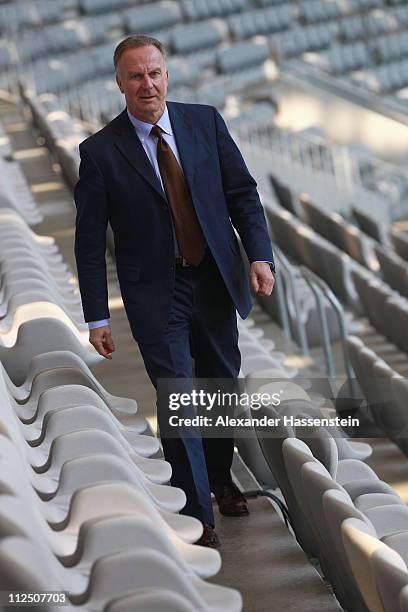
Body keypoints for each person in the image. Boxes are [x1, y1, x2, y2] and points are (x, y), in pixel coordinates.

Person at [74, 35, 275, 548]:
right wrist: (96, 317)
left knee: (219, 385)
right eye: (136, 76)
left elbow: (242, 194)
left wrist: (259, 255)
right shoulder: (99, 152)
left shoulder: (204, 122)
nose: (148, 84)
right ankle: (197, 511)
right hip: (155, 295)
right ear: (119, 83)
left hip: (213, 279)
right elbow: (90, 243)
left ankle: (221, 477)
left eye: (155, 72)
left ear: (168, 74)